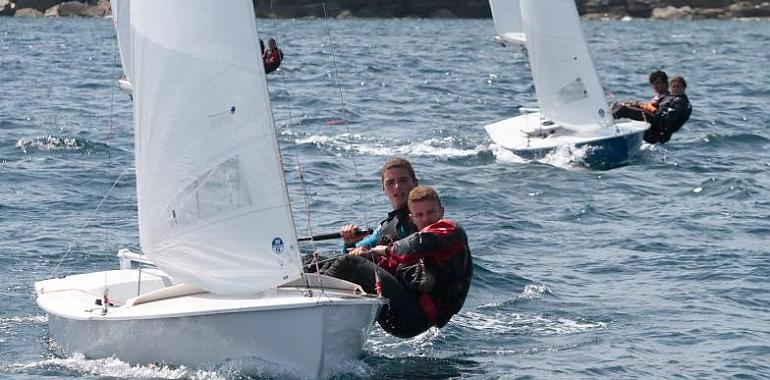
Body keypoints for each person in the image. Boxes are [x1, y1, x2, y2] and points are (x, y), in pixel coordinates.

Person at [322, 186, 473, 339]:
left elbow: (410, 247)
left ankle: (315, 300)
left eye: (430, 212)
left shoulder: (451, 231)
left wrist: (382, 250)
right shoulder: (421, 246)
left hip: (416, 317)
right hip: (398, 313)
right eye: (419, 215)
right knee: (321, 261)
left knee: (349, 264)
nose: (426, 219)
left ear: (441, 212)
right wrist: (365, 254)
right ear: (412, 218)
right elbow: (393, 267)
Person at [341, 157, 420, 253]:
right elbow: (349, 255)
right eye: (390, 182)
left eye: (403, 180)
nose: (397, 187)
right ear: (383, 188)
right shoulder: (386, 227)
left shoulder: (426, 215)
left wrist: (387, 251)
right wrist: (349, 243)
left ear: (415, 183)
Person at [613, 75, 691, 144]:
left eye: (678, 87)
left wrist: (650, 109)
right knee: (622, 105)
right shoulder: (671, 98)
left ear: (684, 87)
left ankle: (604, 124)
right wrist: (638, 105)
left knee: (622, 110)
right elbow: (656, 108)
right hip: (655, 126)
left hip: (656, 132)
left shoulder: (681, 103)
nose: (675, 89)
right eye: (673, 87)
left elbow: (663, 119)